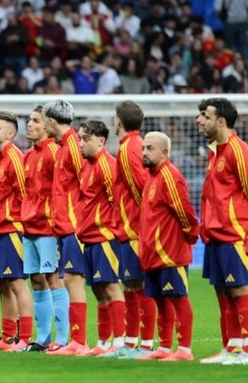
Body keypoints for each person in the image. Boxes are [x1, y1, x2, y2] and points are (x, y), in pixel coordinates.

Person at [136, 132, 199, 362]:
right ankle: (163, 347)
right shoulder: (151, 177)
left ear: (164, 152)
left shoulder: (170, 176)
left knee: (177, 297)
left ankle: (184, 349)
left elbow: (185, 212)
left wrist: (191, 235)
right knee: (160, 300)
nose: (144, 152)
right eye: (143, 148)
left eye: (150, 148)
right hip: (152, 253)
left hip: (170, 252)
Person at [198, 97, 248, 366]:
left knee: (240, 291)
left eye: (205, 116)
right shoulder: (215, 152)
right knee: (223, 292)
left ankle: (246, 350)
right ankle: (232, 348)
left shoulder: (239, 151)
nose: (199, 120)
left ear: (221, 121)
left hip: (234, 234)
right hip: (214, 235)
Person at [104, 101, 156, 359]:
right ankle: (131, 342)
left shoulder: (131, 148)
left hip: (135, 229)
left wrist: (142, 224)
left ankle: (145, 345)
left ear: (119, 120)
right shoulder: (129, 146)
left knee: (140, 286)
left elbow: (143, 187)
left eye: (114, 118)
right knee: (131, 286)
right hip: (127, 229)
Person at [0, 111, 34, 352]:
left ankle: (24, 338)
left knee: (17, 284)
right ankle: (6, 338)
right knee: (2, 284)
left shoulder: (15, 158)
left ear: (11, 133)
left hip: (13, 229)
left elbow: (25, 196)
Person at [20, 105, 70, 351]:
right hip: (29, 225)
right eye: (29, 120)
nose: (29, 124)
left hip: (48, 227)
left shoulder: (54, 151)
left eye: (35, 121)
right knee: (37, 281)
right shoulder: (29, 154)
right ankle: (42, 338)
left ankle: (62, 338)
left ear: (48, 124)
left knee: (52, 279)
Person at [75, 120, 125, 356]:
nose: (81, 144)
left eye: (85, 139)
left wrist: (114, 231)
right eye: (79, 139)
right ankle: (104, 342)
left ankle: (122, 340)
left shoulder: (107, 165)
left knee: (110, 287)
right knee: (98, 289)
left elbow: (117, 202)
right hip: (88, 236)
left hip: (105, 236)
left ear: (101, 141)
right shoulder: (86, 166)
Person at [43, 100, 88, 356]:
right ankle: (76, 340)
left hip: (74, 226)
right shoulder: (63, 146)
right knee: (68, 280)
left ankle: (79, 341)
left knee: (73, 280)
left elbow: (87, 184)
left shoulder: (73, 145)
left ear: (51, 120)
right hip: (62, 226)